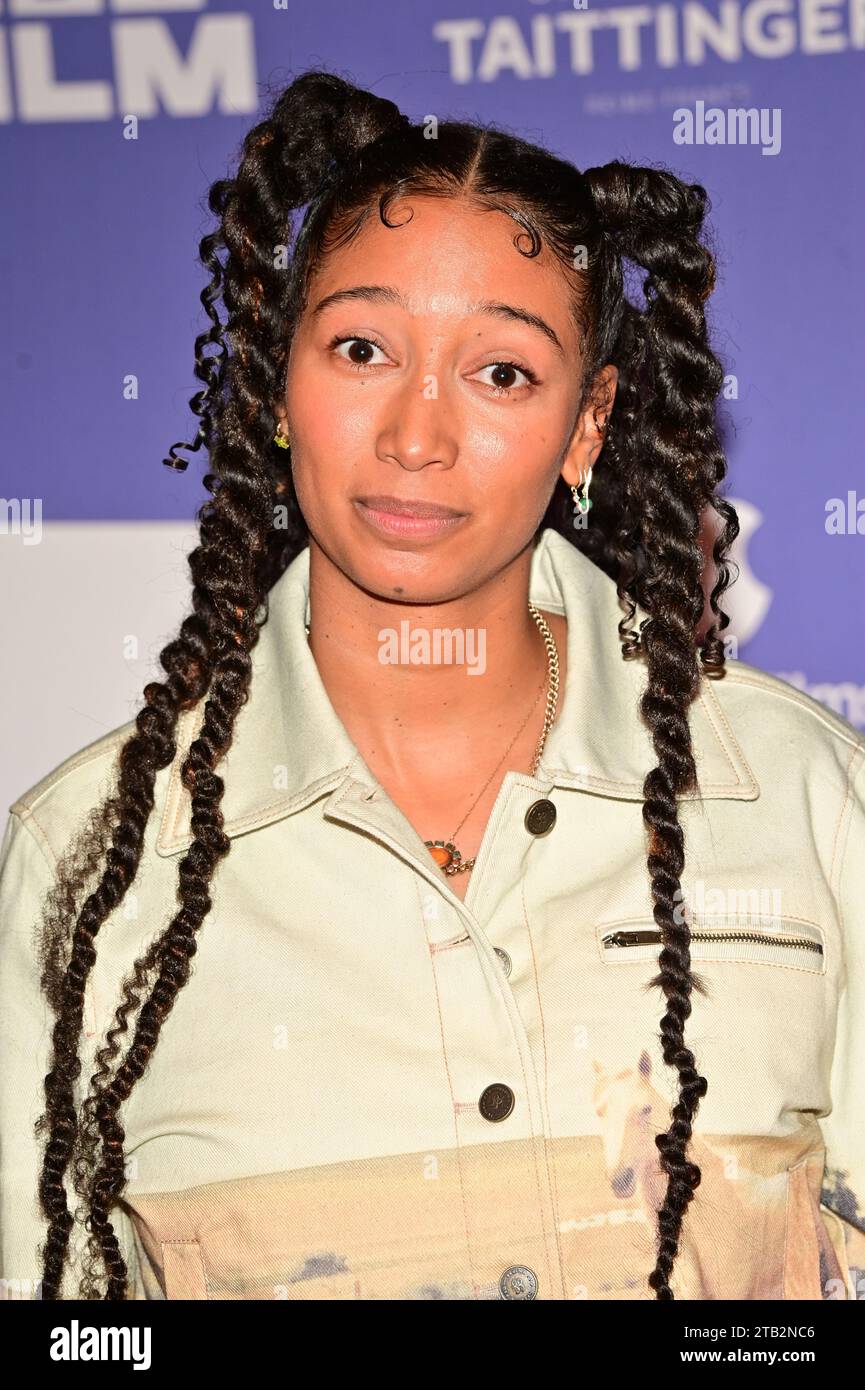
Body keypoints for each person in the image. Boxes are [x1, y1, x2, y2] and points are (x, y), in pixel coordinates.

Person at [1, 69, 862, 1303]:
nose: (417, 434)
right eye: (361, 348)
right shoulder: (86, 869)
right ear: (280, 387)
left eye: (501, 372)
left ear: (587, 426)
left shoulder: (804, 798)